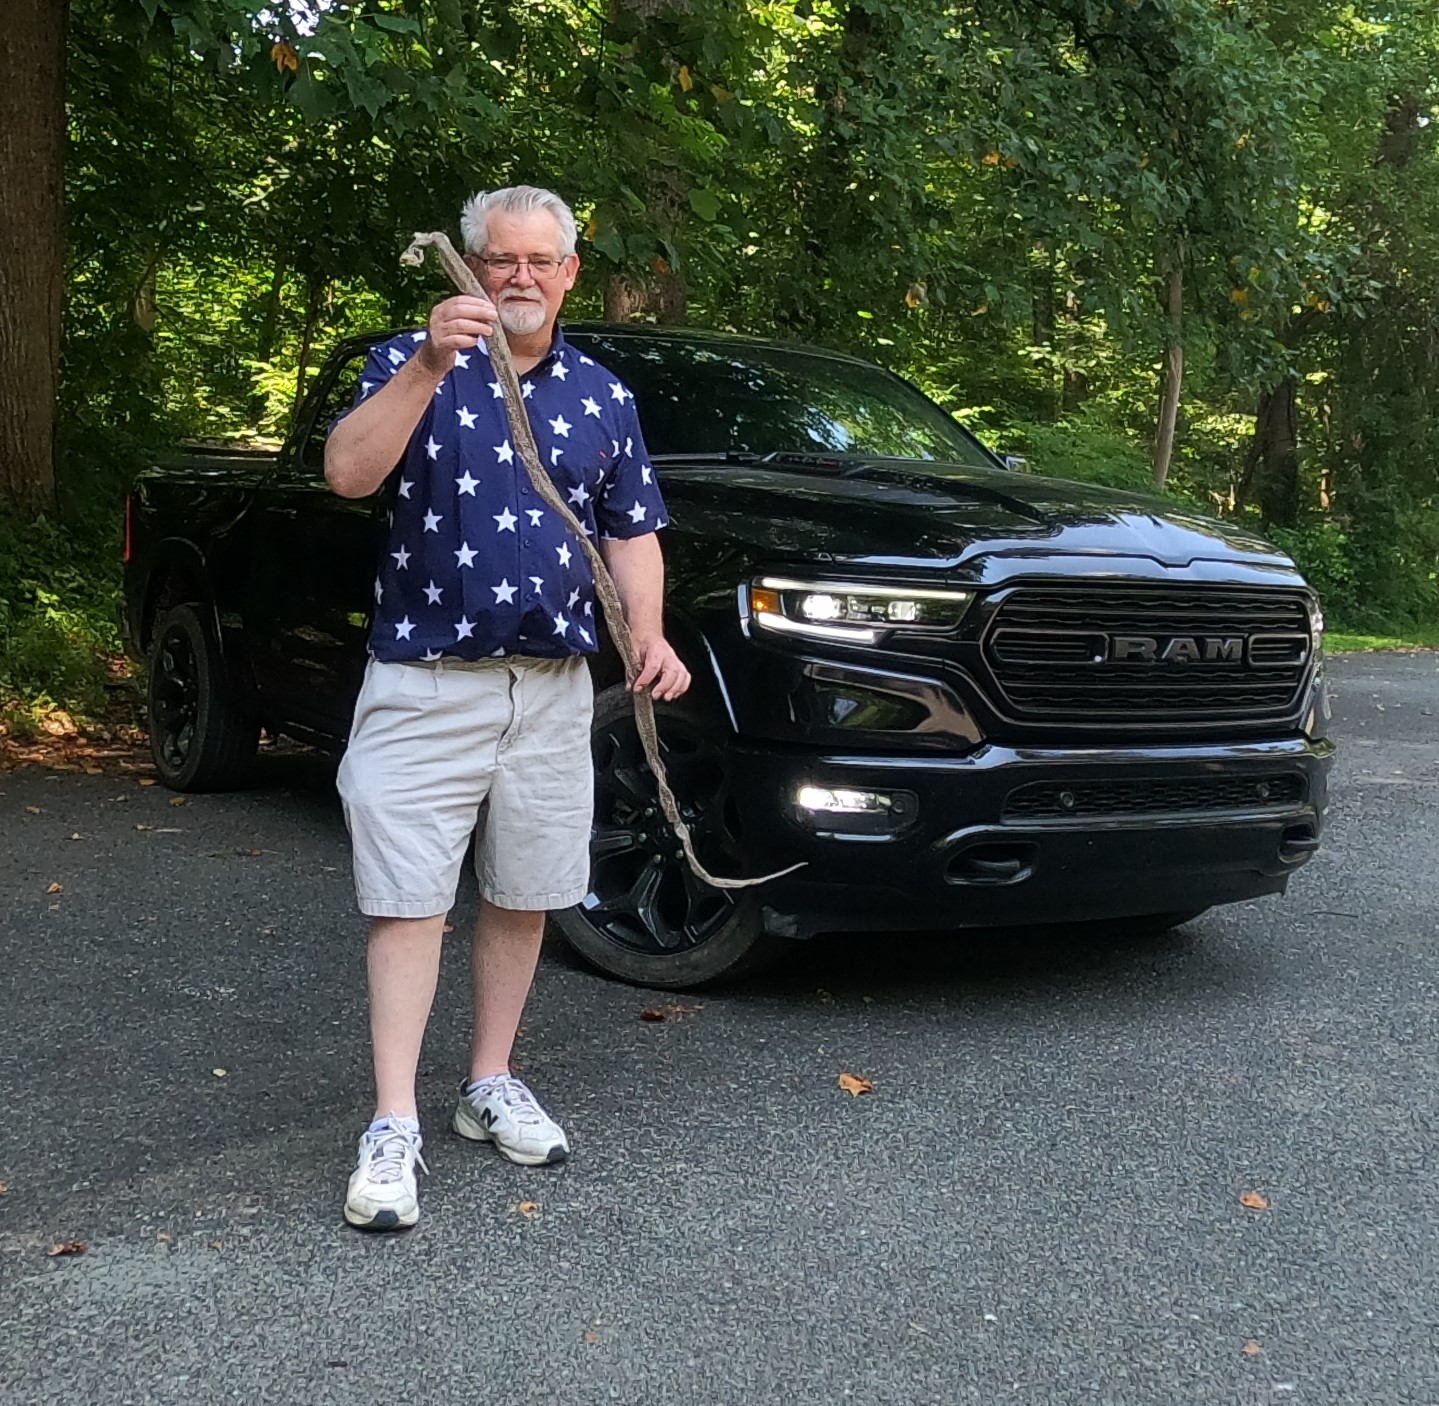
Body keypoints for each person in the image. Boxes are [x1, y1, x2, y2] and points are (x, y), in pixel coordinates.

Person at [324, 184, 691, 1230]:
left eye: (541, 259)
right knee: (408, 899)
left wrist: (650, 634)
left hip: (552, 686)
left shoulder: (602, 395)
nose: (519, 277)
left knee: (525, 890)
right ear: (470, 265)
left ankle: (488, 1080)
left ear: (571, 271)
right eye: (500, 258)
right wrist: (431, 363)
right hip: (424, 679)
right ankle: (393, 1119)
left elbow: (631, 531)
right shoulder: (410, 361)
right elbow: (347, 474)